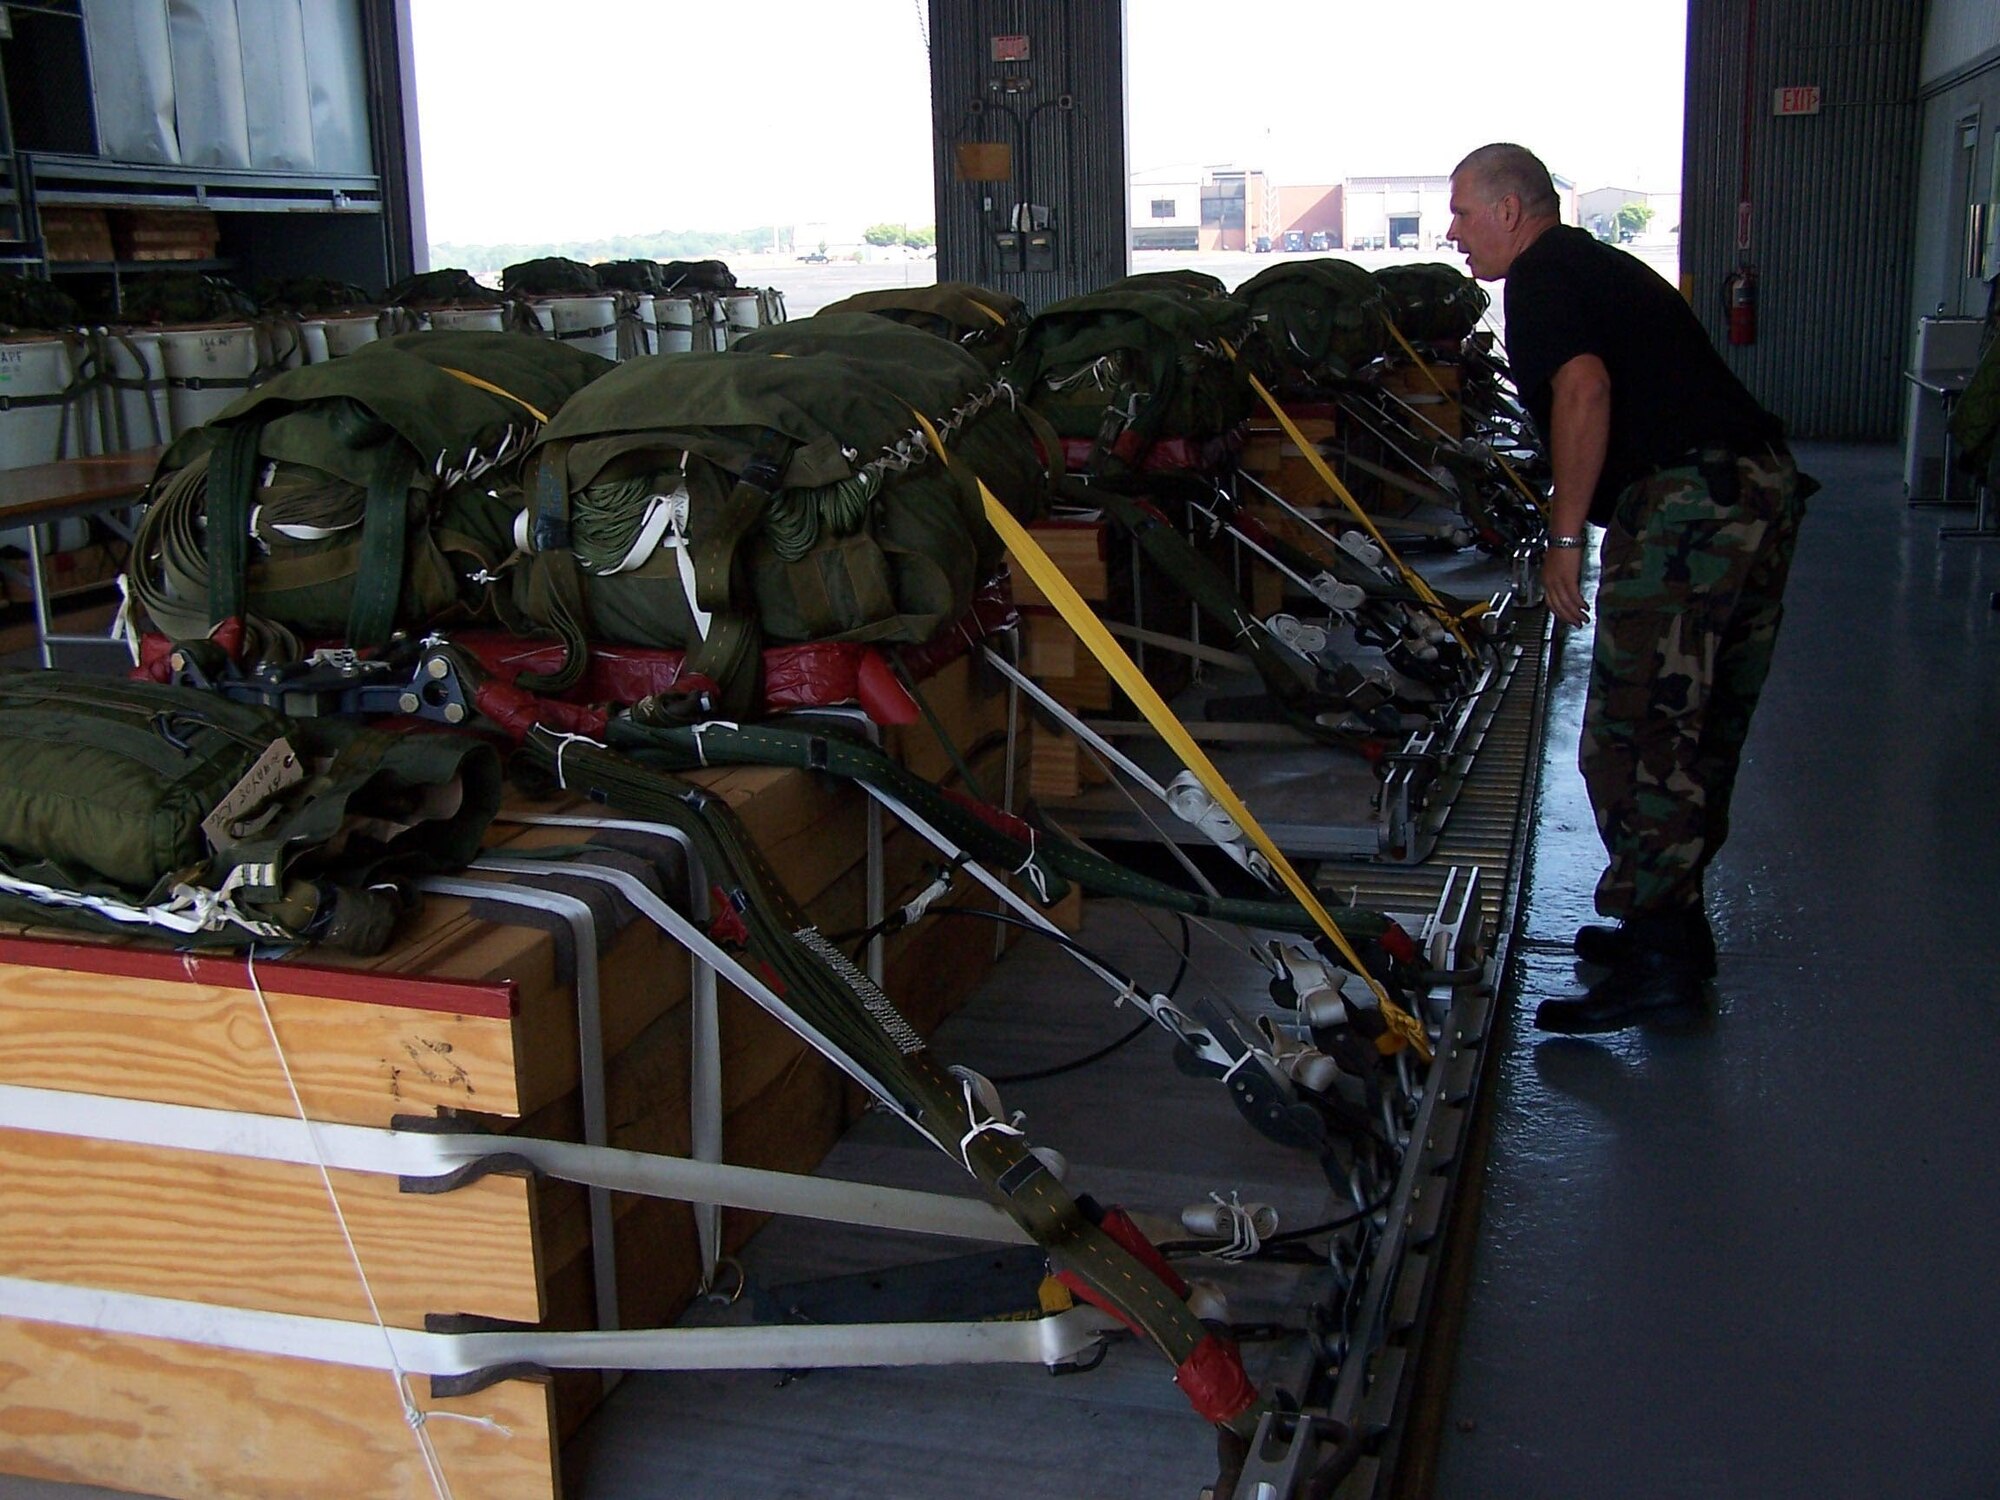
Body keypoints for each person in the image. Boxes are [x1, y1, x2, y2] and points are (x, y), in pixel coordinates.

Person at [1445, 142, 1810, 1034]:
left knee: (1634, 730)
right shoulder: (1592, 265)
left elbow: (1584, 391)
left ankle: (1658, 961)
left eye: (1461, 212)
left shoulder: (1538, 279)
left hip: (1692, 504)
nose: (1452, 233)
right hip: (1754, 488)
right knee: (1698, 719)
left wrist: (1565, 538)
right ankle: (1671, 932)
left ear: (1509, 210)